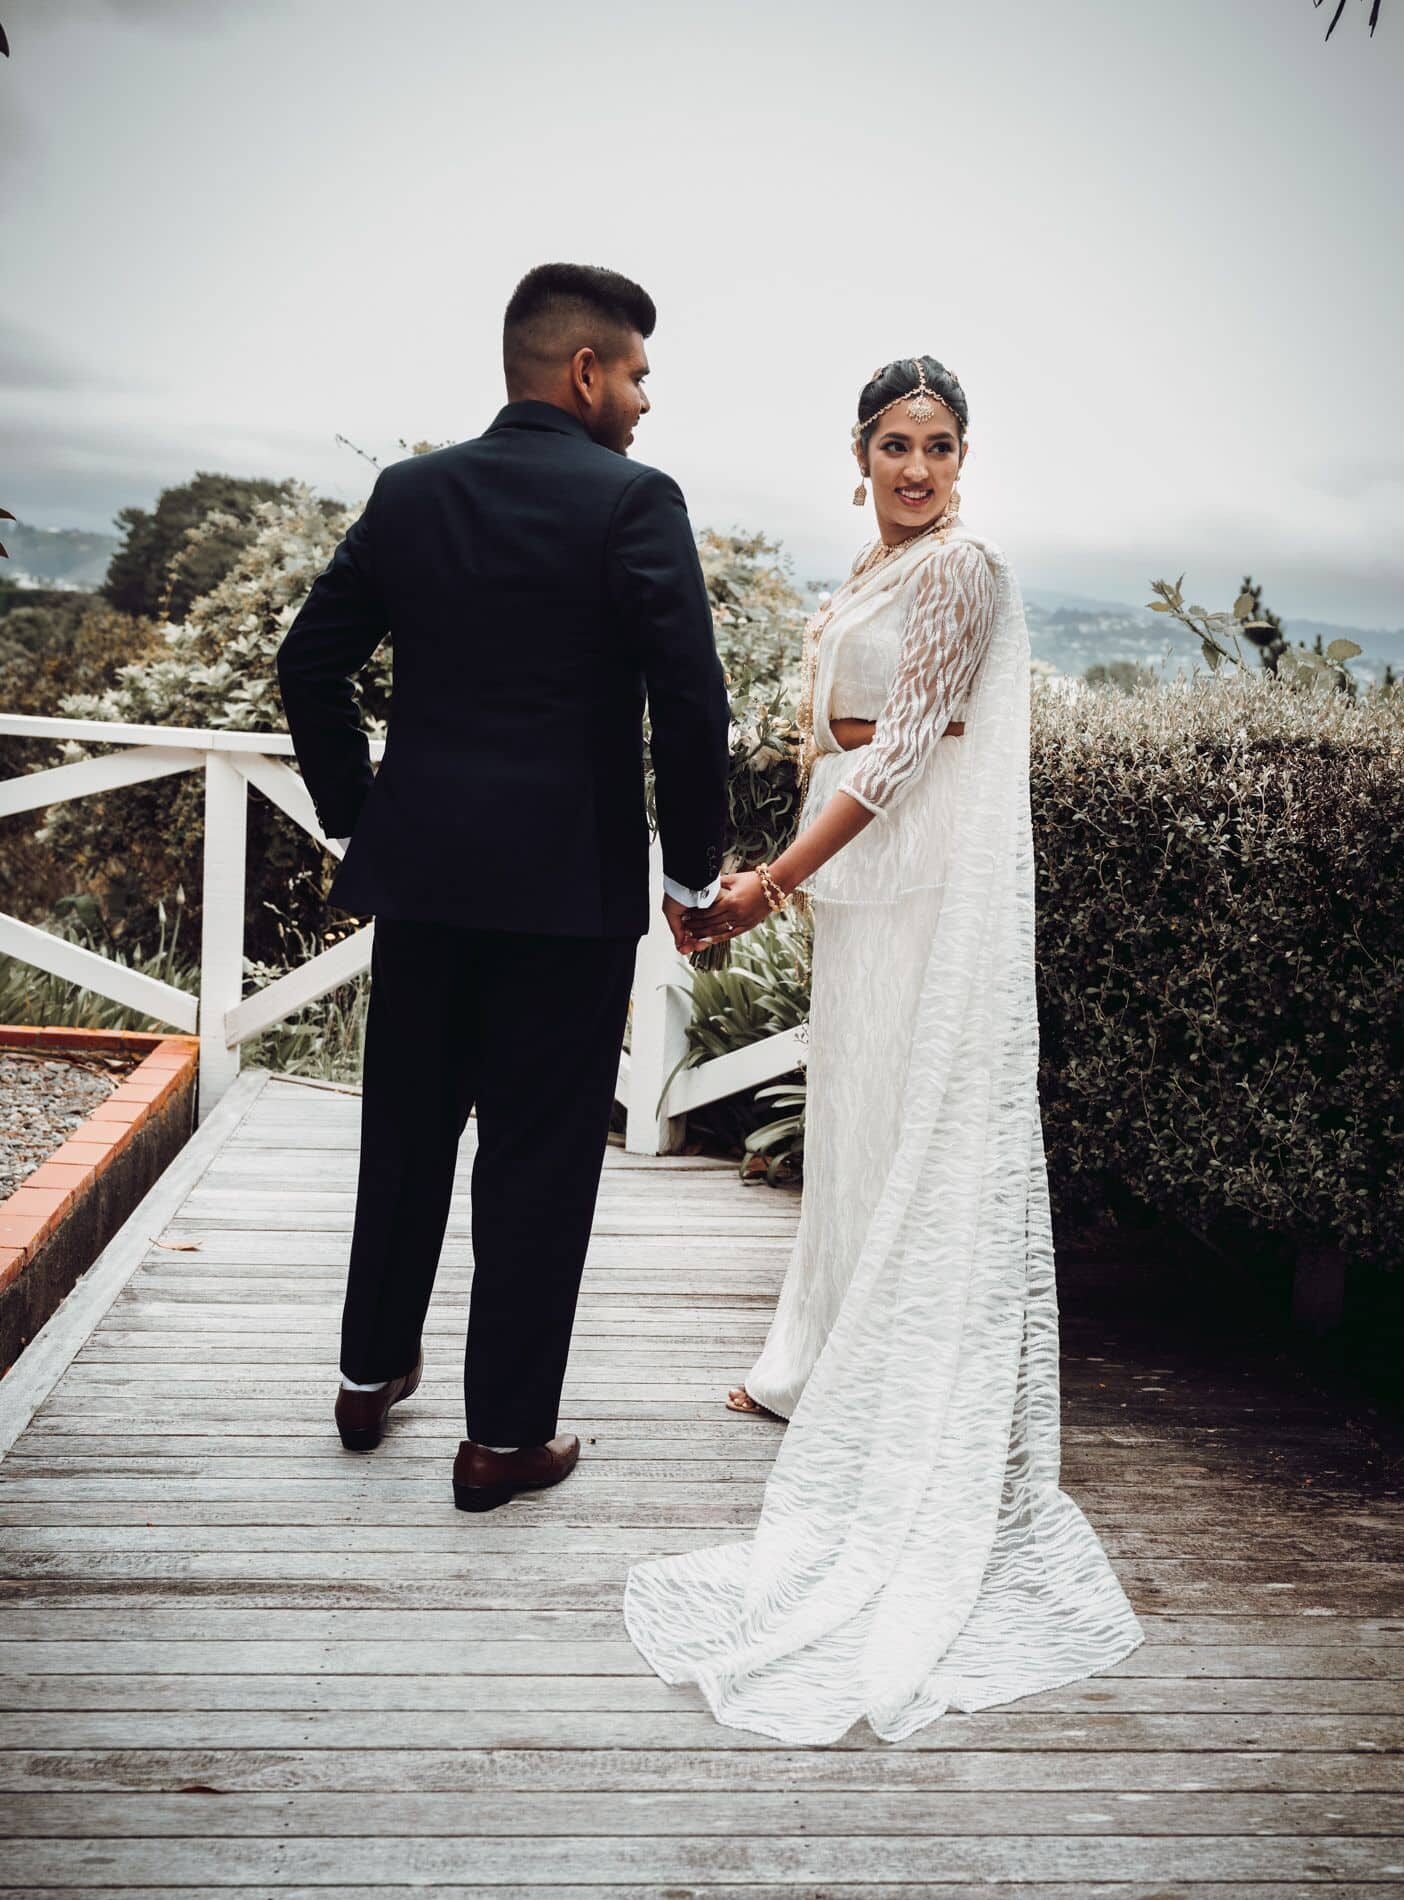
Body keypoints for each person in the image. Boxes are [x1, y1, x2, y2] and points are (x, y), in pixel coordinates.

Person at [622, 357, 1144, 1743]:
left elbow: (904, 748)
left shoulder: (964, 571)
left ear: (965, 459)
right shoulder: (869, 565)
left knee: (915, 1121)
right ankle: (819, 1363)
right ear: (858, 451)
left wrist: (764, 884)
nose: (920, 469)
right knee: (853, 1118)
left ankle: (895, 1393)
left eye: (943, 446)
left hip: (915, 877)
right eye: (898, 445)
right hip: (864, 877)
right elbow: (831, 729)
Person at [275, 263, 731, 1512]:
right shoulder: (636, 502)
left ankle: (367, 1378)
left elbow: (307, 666)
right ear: (585, 372)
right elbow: (691, 706)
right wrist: (693, 868)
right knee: (535, 1161)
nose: (644, 400)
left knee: (406, 1130)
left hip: (424, 881)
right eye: (636, 372)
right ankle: (503, 1441)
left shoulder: (412, 493)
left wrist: (364, 815)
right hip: (567, 897)